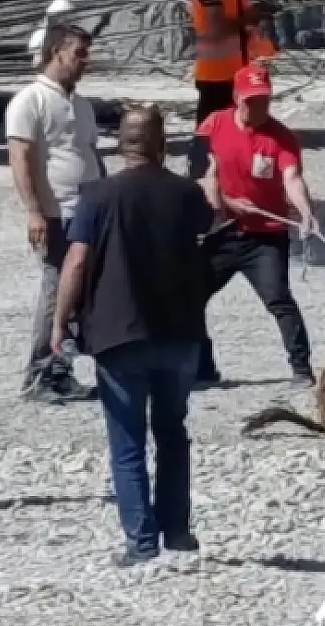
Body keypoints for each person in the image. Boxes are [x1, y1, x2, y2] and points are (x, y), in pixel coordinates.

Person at [52, 105, 213, 568]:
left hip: (118, 332)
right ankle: (178, 531)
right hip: (179, 330)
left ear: (121, 143)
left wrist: (60, 322)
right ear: (162, 142)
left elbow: (77, 261)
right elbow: (208, 231)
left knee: (127, 442)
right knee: (172, 432)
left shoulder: (98, 196)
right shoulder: (186, 194)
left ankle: (141, 541)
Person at [196, 63, 317, 387]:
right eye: (251, 100)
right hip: (223, 231)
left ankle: (302, 369)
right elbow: (203, 177)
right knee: (190, 296)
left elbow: (292, 177)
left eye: (264, 99)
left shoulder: (282, 138)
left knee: (279, 299)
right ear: (237, 97)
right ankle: (203, 369)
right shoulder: (214, 125)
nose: (258, 106)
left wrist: (304, 210)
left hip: (266, 235)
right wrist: (229, 203)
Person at [5, 23, 104, 400]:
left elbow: (89, 153)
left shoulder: (80, 104)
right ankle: (40, 373)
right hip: (56, 213)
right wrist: (34, 212)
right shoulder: (30, 101)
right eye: (79, 53)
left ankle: (62, 369)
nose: (85, 61)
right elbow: (21, 159)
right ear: (55, 52)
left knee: (78, 293)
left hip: (87, 209)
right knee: (55, 294)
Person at [186, 0, 280, 180]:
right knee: (208, 138)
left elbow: (238, 22)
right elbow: (216, 27)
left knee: (232, 136)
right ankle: (199, 187)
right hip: (215, 77)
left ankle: (226, 185)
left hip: (234, 74)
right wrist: (252, 16)